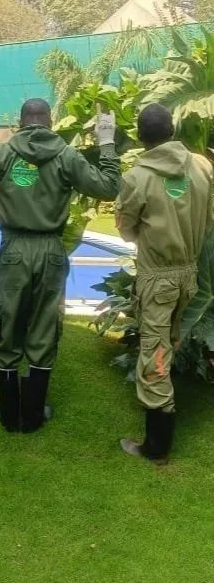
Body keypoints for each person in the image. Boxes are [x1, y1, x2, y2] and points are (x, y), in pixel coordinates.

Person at [0, 98, 121, 432]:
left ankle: (10, 415)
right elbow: (109, 186)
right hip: (51, 251)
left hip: (14, 250)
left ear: (21, 122)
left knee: (8, 325)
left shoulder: (3, 153)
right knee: (45, 326)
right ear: (50, 121)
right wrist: (107, 142)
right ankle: (34, 415)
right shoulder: (66, 155)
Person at [117, 103, 213, 463]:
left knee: (154, 353)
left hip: (158, 278)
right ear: (172, 130)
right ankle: (162, 423)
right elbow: (209, 219)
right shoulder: (202, 166)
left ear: (141, 136)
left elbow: (126, 230)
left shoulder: (137, 178)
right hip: (189, 275)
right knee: (168, 343)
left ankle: (156, 446)